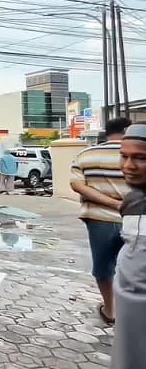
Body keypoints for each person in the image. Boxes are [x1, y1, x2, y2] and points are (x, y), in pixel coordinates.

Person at [70, 117, 132, 324]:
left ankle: (111, 310)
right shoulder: (139, 154)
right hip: (137, 219)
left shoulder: (86, 155)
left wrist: (112, 204)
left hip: (99, 219)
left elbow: (77, 185)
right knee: (137, 266)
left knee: (104, 266)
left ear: (107, 132)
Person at [112, 123, 146, 369]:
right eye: (124, 156)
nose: (128, 166)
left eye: (140, 158)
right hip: (129, 314)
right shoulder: (135, 199)